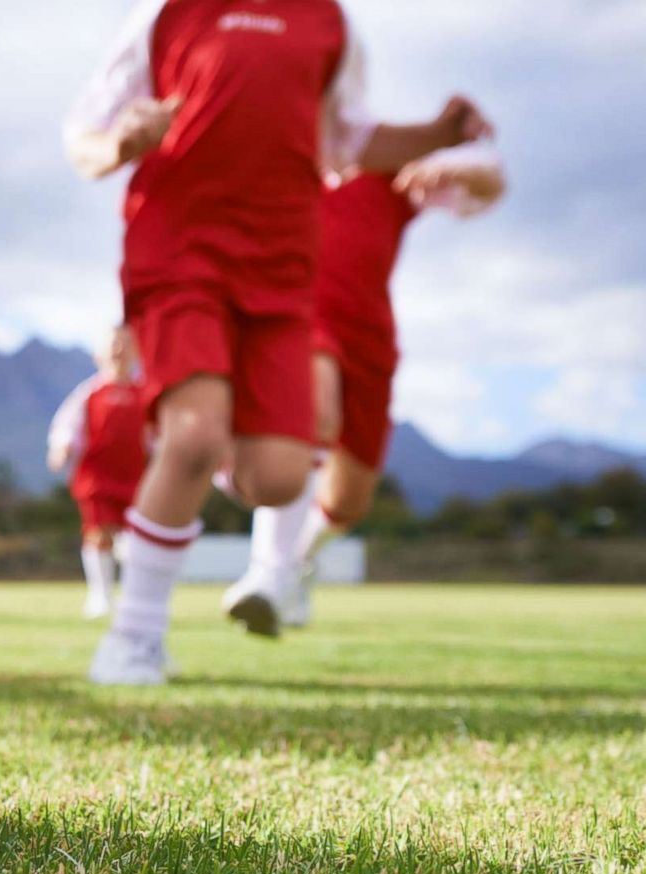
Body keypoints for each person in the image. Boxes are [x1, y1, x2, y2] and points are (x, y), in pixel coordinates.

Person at [64, 0, 492, 684]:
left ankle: (212, 456)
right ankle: (134, 635)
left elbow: (347, 143)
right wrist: (120, 143)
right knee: (196, 438)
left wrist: (440, 132)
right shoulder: (166, 15)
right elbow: (83, 136)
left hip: (284, 267)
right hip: (178, 251)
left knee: (279, 479)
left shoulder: (330, 23)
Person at [224, 140, 508, 631]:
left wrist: (451, 167)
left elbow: (490, 185)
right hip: (301, 316)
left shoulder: (388, 167)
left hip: (369, 337)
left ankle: (295, 566)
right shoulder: (281, 160)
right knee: (311, 412)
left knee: (346, 505)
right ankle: (267, 574)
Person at [47, 325, 149, 619]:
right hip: (96, 477)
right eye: (113, 344)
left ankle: (132, 597)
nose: (119, 350)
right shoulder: (89, 392)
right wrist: (60, 448)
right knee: (98, 532)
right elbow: (66, 426)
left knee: (136, 540)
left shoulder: (146, 392)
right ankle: (101, 595)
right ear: (98, 355)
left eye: (125, 344)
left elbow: (157, 435)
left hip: (138, 477)